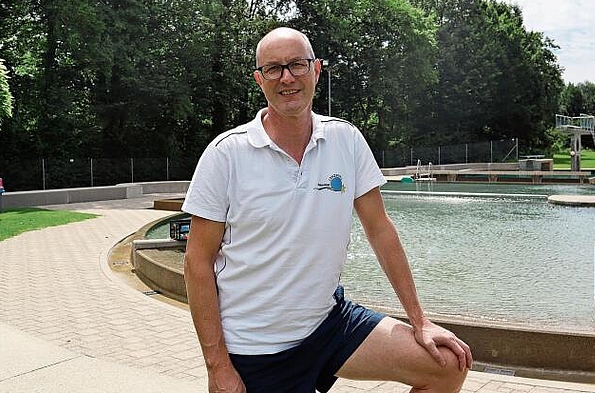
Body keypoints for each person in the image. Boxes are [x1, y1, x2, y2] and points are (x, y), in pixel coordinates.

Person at [182, 27, 472, 393]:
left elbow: (380, 231)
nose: (287, 77)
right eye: (273, 69)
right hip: (256, 348)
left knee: (446, 366)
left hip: (328, 326)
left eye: (297, 65)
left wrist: (420, 321)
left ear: (316, 70)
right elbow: (196, 262)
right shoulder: (226, 154)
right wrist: (217, 365)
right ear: (259, 80)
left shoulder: (345, 140)